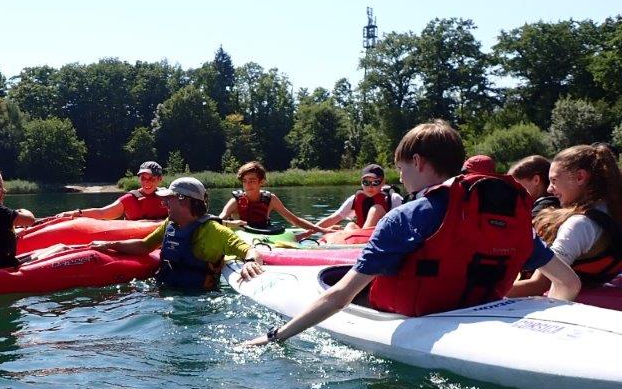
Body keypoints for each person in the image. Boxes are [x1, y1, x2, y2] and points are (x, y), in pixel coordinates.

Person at [246, 121, 581, 346]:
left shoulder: (404, 217)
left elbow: (339, 297)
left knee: (333, 279)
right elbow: (569, 284)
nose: (401, 178)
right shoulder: (508, 218)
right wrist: (540, 335)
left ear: (418, 161)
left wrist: (275, 336)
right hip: (484, 315)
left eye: (402, 168)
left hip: (417, 318)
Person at [91, 176, 264, 289]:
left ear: (184, 200)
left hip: (198, 304)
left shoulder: (212, 230)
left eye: (168, 199)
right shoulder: (170, 224)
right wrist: (109, 245)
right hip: (167, 292)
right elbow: (145, 245)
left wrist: (250, 262)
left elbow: (250, 251)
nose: (164, 203)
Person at [508, 144, 622, 294]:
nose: (549, 189)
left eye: (554, 180)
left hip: (573, 307)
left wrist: (484, 293)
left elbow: (538, 285)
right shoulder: (612, 209)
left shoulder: (579, 225)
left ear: (580, 177)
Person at [218, 161, 321, 233]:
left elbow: (295, 220)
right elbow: (217, 221)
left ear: (261, 182)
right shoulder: (235, 201)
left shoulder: (271, 199)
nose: (247, 185)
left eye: (252, 181)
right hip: (241, 236)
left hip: (264, 234)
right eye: (244, 181)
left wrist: (322, 230)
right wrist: (230, 224)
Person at [57, 161, 168, 221]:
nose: (146, 182)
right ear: (139, 178)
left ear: (160, 179)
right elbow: (102, 212)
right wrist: (77, 213)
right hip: (136, 241)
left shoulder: (169, 197)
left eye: (152, 178)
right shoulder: (130, 199)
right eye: (143, 178)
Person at [310, 163, 404, 232]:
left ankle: (363, 238)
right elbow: (333, 218)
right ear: (361, 182)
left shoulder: (394, 198)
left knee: (376, 209)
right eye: (366, 183)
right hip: (362, 237)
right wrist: (306, 234)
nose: (370, 187)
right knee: (350, 225)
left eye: (375, 182)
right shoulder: (354, 199)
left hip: (385, 235)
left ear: (383, 182)